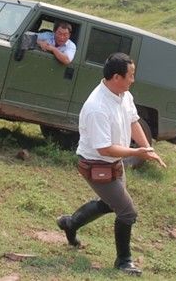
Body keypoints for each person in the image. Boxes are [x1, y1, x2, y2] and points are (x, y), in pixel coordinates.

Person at [56, 52, 166, 276]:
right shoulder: (97, 107)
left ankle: (70, 223)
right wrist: (137, 152)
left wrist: (148, 149)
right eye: (131, 76)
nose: (133, 80)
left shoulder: (123, 94)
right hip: (97, 165)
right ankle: (123, 261)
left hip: (114, 163)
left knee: (109, 204)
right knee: (127, 213)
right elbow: (104, 148)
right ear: (117, 77)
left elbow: (134, 120)